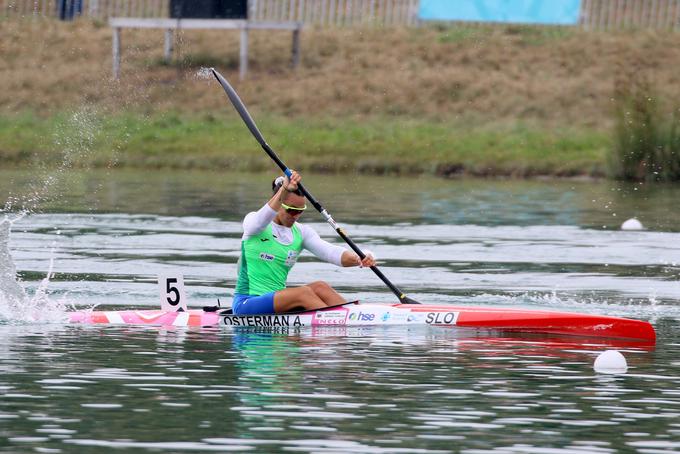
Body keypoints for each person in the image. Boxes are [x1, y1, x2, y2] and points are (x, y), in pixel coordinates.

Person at [232, 171, 376, 315]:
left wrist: (359, 258)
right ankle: (334, 320)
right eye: (292, 211)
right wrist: (284, 189)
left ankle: (355, 315)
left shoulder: (301, 232)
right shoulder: (254, 224)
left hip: (277, 303)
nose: (296, 216)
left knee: (320, 287)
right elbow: (264, 216)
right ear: (279, 203)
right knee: (303, 293)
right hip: (246, 303)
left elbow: (331, 252)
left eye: (300, 211)